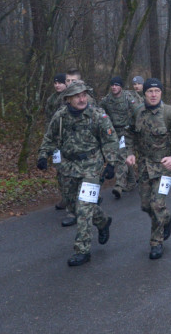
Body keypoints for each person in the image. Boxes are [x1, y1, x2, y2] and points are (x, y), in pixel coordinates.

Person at [37, 81, 119, 267]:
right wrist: (43, 155)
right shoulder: (60, 116)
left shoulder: (98, 115)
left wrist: (111, 163)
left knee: (83, 208)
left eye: (84, 95)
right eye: (77, 96)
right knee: (73, 206)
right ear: (68, 99)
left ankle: (82, 250)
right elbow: (49, 138)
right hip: (68, 166)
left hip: (92, 165)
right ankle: (103, 221)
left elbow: (110, 140)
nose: (82, 99)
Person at [127, 78, 171, 259]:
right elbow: (129, 135)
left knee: (157, 204)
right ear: (144, 94)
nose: (153, 95)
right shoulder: (137, 112)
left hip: (164, 167)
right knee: (146, 206)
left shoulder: (169, 113)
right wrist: (129, 153)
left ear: (161, 93)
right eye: (149, 92)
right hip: (144, 166)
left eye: (157, 91)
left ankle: (156, 242)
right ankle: (167, 218)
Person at [100, 76, 143, 199]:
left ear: (121, 87)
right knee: (123, 156)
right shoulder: (106, 100)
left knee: (122, 156)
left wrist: (137, 127)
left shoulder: (128, 97)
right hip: (113, 132)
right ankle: (131, 181)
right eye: (112, 85)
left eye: (117, 85)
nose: (114, 87)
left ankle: (119, 184)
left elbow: (138, 111)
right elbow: (98, 112)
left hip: (127, 131)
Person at [46, 73, 69, 213]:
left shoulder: (70, 97)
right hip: (57, 141)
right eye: (55, 83)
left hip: (71, 140)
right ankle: (65, 198)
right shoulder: (51, 99)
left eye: (60, 83)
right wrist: (48, 140)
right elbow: (48, 120)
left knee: (72, 170)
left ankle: (76, 198)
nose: (57, 85)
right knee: (60, 170)